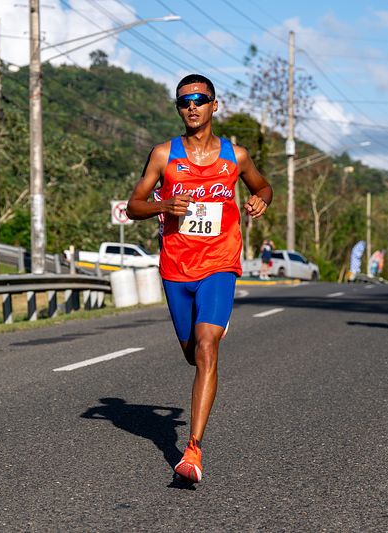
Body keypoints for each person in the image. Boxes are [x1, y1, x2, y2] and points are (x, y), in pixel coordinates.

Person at [126, 74, 273, 483]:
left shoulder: (236, 156)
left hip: (220, 263)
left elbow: (263, 186)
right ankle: (207, 334)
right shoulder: (162, 155)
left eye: (199, 99)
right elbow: (133, 205)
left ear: (214, 105)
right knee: (192, 353)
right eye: (184, 101)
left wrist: (261, 198)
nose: (191, 107)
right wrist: (163, 204)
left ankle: (192, 450)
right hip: (176, 268)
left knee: (207, 347)